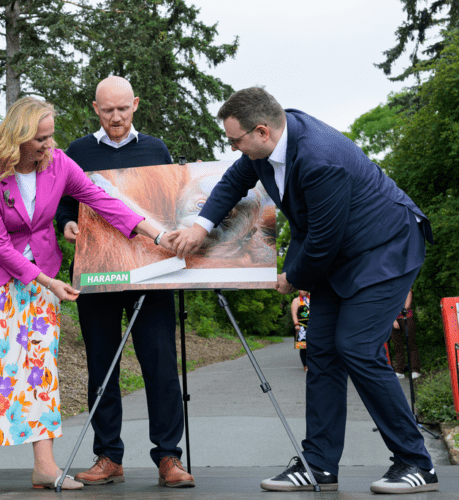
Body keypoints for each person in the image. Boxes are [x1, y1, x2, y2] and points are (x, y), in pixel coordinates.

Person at [171, 87, 438, 494]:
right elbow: (231, 183)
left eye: (235, 140)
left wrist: (290, 278)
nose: (233, 148)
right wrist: (199, 226)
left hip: (385, 247)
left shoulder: (320, 159)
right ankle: (319, 465)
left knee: (357, 347)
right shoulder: (265, 147)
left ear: (262, 130)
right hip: (342, 256)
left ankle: (416, 463)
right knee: (322, 350)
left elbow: (322, 243)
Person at [0, 96, 177, 492]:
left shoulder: (58, 164)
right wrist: (45, 281)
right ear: (18, 138)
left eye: (51, 136)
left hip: (40, 274)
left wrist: (156, 233)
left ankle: (45, 466)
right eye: (40, 139)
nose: (49, 145)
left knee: (37, 367)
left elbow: (103, 201)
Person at [54, 76, 194, 489]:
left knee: (161, 364)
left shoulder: (156, 149)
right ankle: (108, 456)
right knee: (102, 364)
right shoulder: (77, 151)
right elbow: (63, 201)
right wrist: (66, 223)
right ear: (95, 109)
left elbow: (172, 201)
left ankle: (168, 457)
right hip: (97, 271)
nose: (116, 117)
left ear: (135, 104)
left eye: (123, 109)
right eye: (108, 110)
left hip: (152, 272)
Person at [391, 289, 420, 379]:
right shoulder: (388, 288)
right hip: (393, 320)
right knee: (397, 345)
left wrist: (395, 314)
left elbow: (407, 306)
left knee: (411, 343)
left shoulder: (406, 285)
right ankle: (400, 370)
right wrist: (393, 320)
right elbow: (387, 306)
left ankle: (415, 370)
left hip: (407, 318)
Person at [291, 291, 310, 371]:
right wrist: (296, 324)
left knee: (314, 346)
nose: (303, 291)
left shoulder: (312, 299)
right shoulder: (296, 300)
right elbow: (294, 313)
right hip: (301, 325)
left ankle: (313, 364)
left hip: (312, 324)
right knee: (303, 347)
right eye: (301, 289)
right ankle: (305, 365)